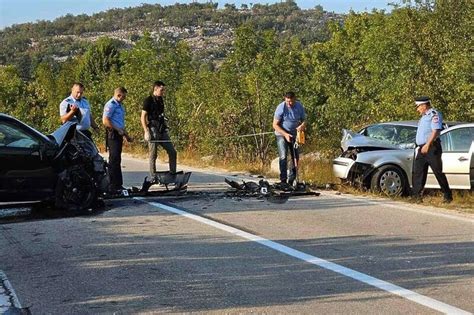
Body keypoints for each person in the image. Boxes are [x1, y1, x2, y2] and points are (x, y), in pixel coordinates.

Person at [411, 96, 452, 203]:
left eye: (418, 106)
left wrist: (428, 144)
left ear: (424, 105)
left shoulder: (434, 114)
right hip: (422, 148)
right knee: (418, 172)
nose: (417, 109)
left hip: (431, 147)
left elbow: (435, 131)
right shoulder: (424, 117)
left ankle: (447, 195)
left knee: (437, 171)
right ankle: (416, 196)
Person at [140, 80, 177, 178]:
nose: (163, 92)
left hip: (161, 129)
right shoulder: (148, 100)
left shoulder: (160, 100)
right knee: (153, 154)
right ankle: (153, 176)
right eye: (161, 90)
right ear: (155, 89)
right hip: (153, 130)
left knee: (172, 151)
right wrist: (146, 131)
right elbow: (143, 116)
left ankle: (173, 173)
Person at [272, 91, 306, 187]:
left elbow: (304, 120)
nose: (289, 104)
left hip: (295, 134)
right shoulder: (281, 107)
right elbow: (275, 125)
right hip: (281, 133)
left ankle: (292, 179)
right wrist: (285, 134)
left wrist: (302, 126)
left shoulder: (299, 106)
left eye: (291, 101)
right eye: (287, 101)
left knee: (295, 157)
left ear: (294, 99)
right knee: (283, 156)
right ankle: (283, 180)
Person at [102, 87, 133, 193]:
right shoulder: (110, 104)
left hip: (118, 133)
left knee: (117, 159)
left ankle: (118, 184)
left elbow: (120, 124)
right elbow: (105, 120)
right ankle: (112, 185)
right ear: (119, 95)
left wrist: (127, 136)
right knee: (113, 160)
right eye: (123, 96)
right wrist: (117, 129)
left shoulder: (119, 106)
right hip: (113, 134)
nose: (124, 99)